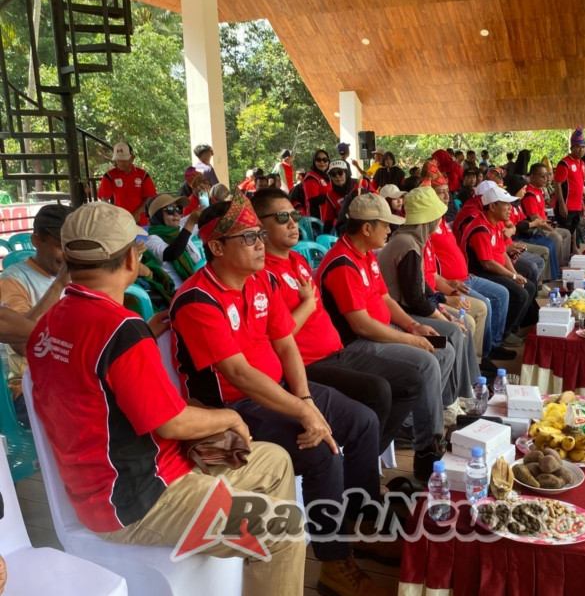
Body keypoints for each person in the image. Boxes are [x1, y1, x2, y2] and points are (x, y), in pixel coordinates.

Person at [26, 201, 305, 595]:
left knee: (274, 460)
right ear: (129, 259)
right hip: (142, 499)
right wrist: (229, 418)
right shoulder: (120, 330)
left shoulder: (48, 324)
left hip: (116, 483)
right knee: (283, 527)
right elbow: (171, 423)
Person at [169, 195, 390, 595]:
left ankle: (362, 524)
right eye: (248, 237)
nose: (259, 243)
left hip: (282, 391)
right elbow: (239, 374)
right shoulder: (197, 299)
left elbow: (286, 343)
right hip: (232, 409)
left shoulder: (262, 280)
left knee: (363, 422)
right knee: (322, 452)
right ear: (216, 247)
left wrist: (305, 401)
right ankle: (334, 564)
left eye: (259, 234)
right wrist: (304, 414)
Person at [253, 188, 421, 454]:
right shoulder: (262, 274)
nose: (293, 223)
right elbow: (277, 337)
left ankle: (369, 453)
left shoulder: (297, 260)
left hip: (336, 351)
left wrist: (413, 326)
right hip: (308, 363)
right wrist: (307, 305)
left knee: (412, 380)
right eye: (282, 217)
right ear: (260, 225)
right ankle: (360, 456)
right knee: (377, 390)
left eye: (295, 215)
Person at [317, 193, 456, 479]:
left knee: (444, 350)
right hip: (356, 344)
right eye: (385, 225)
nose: (390, 230)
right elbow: (362, 326)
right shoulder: (343, 263)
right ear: (367, 228)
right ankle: (426, 450)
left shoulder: (366, 255)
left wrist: (413, 327)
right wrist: (411, 340)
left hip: (380, 333)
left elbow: (385, 299)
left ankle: (415, 423)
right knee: (426, 362)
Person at [377, 186, 480, 411]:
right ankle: (450, 402)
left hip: (406, 308)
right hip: (399, 314)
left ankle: (466, 390)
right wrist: (442, 317)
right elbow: (415, 298)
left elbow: (422, 287)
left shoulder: (414, 240)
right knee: (453, 331)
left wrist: (442, 310)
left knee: (459, 323)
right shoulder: (408, 244)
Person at [0, 204, 71, 420]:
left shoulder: (80, 275)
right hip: (29, 388)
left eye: (73, 246)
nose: (68, 255)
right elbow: (22, 345)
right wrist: (60, 285)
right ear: (36, 241)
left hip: (72, 379)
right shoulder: (13, 280)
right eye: (60, 246)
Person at [428, 183, 512, 366]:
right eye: (441, 193)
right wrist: (448, 288)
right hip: (450, 284)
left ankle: (493, 345)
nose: (447, 196)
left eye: (447, 191)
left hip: (466, 277)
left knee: (502, 293)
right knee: (484, 305)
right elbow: (429, 274)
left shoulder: (441, 220)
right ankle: (482, 357)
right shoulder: (427, 229)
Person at [461, 184, 539, 344]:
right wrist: (512, 276)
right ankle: (501, 337)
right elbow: (487, 264)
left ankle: (511, 329)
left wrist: (514, 274)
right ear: (492, 206)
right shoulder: (480, 228)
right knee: (519, 294)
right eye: (506, 204)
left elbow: (502, 252)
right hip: (479, 273)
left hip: (493, 269)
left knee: (529, 287)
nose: (510, 208)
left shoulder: (495, 223)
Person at [144, 193, 204, 289]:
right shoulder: (152, 239)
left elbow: (204, 216)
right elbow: (171, 254)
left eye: (178, 209)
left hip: (197, 283)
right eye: (170, 209)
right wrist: (190, 223)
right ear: (158, 214)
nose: (176, 214)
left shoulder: (179, 228)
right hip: (179, 290)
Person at [522, 163, 572, 268]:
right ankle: (556, 268)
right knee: (556, 237)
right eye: (542, 176)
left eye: (547, 175)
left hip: (544, 224)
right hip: (536, 228)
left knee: (566, 233)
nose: (546, 178)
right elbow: (535, 218)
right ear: (532, 177)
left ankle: (563, 263)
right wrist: (552, 230)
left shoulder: (539, 190)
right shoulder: (529, 194)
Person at [97, 141, 157, 225]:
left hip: (141, 220)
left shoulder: (143, 175)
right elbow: (104, 199)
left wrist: (138, 212)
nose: (121, 163)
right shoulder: (109, 176)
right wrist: (112, 213)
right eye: (118, 160)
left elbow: (150, 197)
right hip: (120, 221)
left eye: (124, 159)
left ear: (132, 158)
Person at [553, 127, 585, 253]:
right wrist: (562, 204)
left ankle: (573, 249)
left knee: (574, 228)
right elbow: (557, 185)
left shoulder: (582, 164)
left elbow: (580, 186)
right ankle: (564, 257)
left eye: (583, 147)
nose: (581, 149)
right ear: (572, 148)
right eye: (578, 147)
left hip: (577, 205)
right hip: (566, 205)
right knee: (566, 232)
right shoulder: (564, 163)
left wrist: (582, 204)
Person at [301, 149, 333, 220]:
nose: (322, 162)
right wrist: (332, 197)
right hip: (317, 219)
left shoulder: (327, 176)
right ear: (314, 161)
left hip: (328, 218)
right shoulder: (311, 177)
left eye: (325, 160)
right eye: (318, 160)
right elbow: (313, 199)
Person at [325, 160, 356, 233]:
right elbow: (328, 220)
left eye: (340, 172)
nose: (337, 176)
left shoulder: (361, 184)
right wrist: (324, 236)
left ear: (346, 173)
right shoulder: (330, 195)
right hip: (345, 231)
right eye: (333, 174)